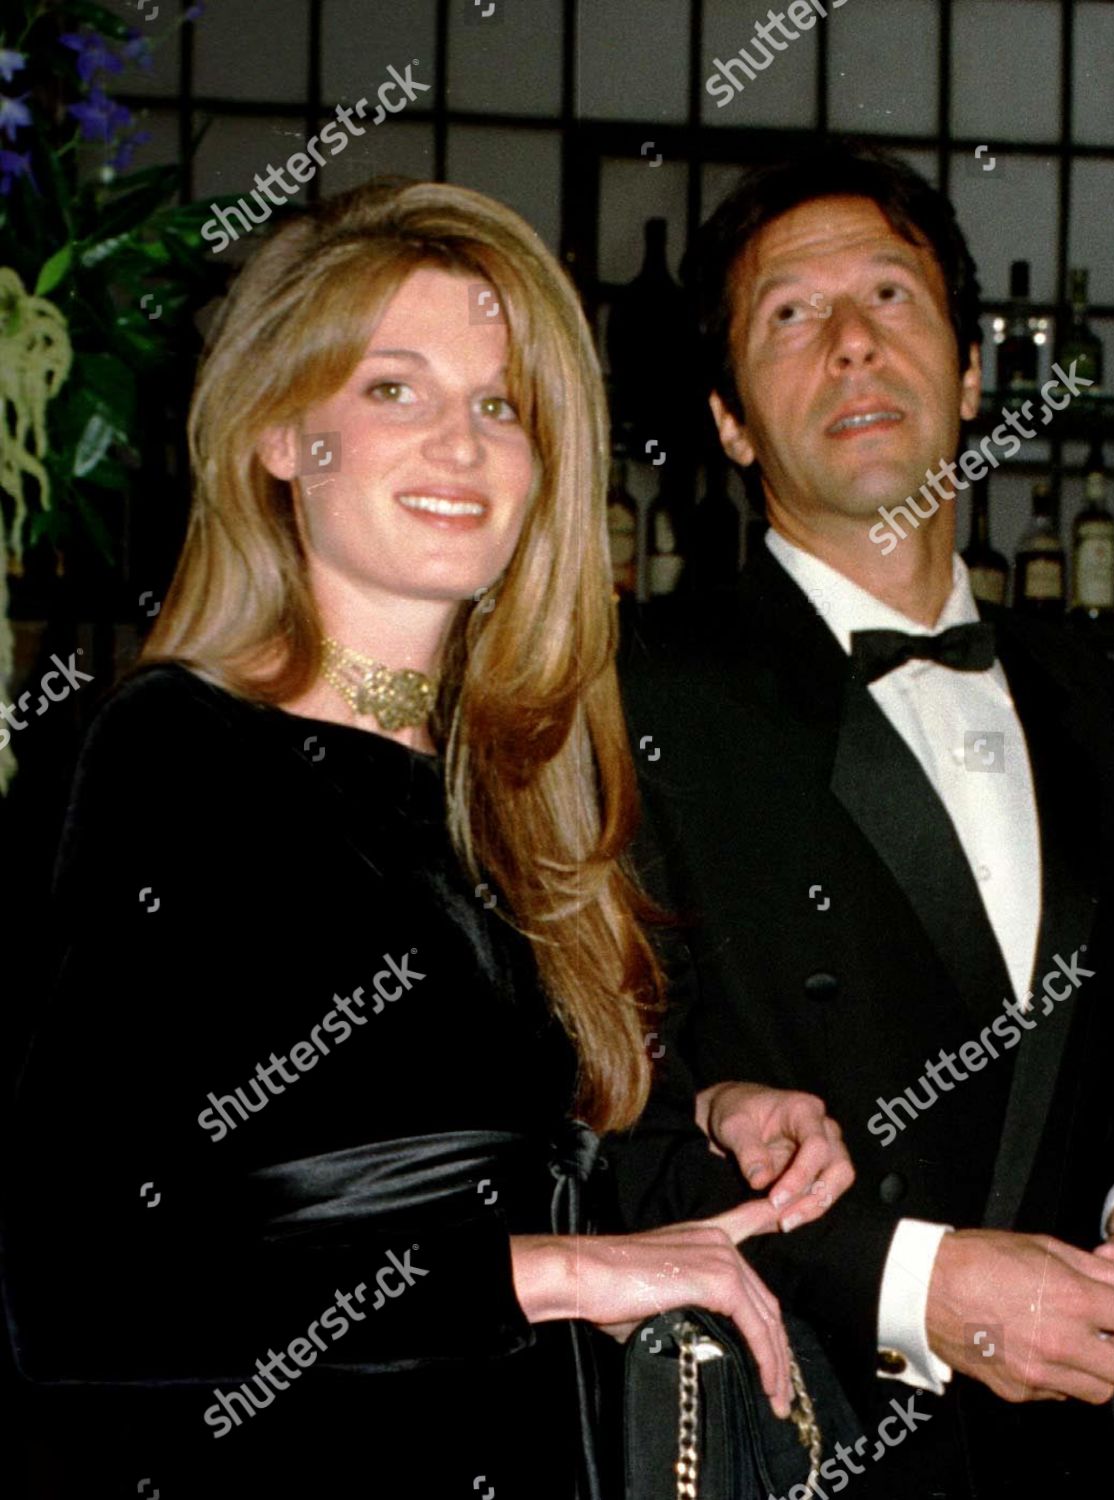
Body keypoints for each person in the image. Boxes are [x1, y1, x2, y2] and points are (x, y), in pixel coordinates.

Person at [2, 178, 855, 1500]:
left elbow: (464, 1151)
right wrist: (554, 1272)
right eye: (394, 389)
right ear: (281, 434)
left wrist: (709, 1114)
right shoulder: (171, 754)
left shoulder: (517, 781)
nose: (460, 443)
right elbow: (75, 1294)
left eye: (500, 405)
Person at [608, 145, 1114, 1499]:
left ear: (966, 376)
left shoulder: (1083, 688)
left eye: (891, 295)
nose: (850, 341)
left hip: (1056, 1461)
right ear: (729, 420)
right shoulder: (635, 694)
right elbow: (608, 1123)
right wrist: (917, 1285)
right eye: (790, 313)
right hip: (786, 1440)